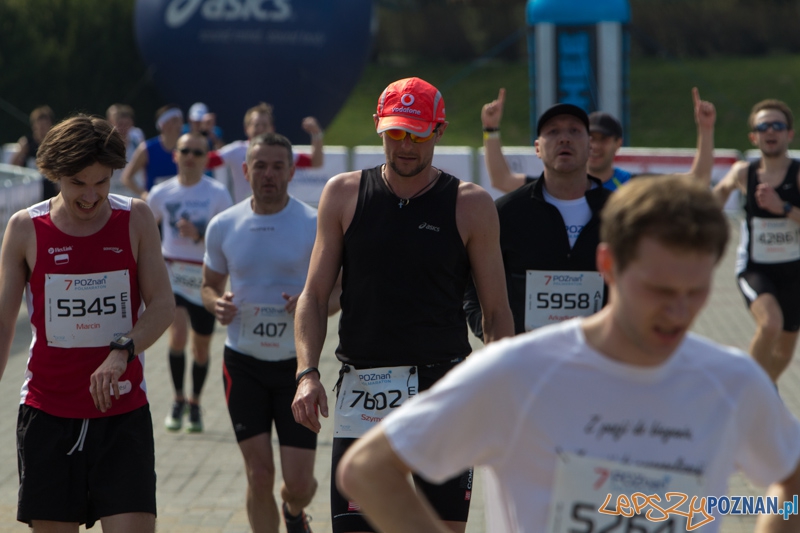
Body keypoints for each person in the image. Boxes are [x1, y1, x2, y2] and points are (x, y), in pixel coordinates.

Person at [337, 175, 800, 533]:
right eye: (658, 290)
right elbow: (368, 469)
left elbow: (791, 485)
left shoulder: (732, 380)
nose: (677, 312)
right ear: (607, 266)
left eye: (694, 291)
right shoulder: (520, 372)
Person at [291, 76, 514, 533]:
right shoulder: (343, 194)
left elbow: (496, 314)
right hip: (364, 386)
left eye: (417, 133)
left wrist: (497, 387)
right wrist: (306, 374)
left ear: (439, 130)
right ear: (378, 127)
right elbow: (313, 296)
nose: (405, 146)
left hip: (444, 388)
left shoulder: (470, 205)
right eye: (395, 133)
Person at [0, 115, 175, 530]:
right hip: (48, 414)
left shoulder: (135, 218)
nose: (91, 195)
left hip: (122, 413)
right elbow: (4, 327)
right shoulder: (26, 228)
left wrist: (122, 350)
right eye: (78, 182)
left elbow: (163, 305)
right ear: (55, 174)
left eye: (102, 181)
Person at [466, 91, 717, 338]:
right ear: (537, 148)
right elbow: (474, 289)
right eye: (553, 132)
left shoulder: (626, 208)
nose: (564, 138)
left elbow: (695, 182)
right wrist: (494, 334)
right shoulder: (508, 212)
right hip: (529, 363)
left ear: (590, 146)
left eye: (575, 131)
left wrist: (706, 130)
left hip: (604, 358)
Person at [203, 132, 340, 533]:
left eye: (278, 166)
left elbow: (339, 292)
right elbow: (209, 285)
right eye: (259, 165)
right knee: (259, 475)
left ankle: (294, 512)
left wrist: (309, 303)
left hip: (297, 369)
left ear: (292, 171)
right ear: (245, 170)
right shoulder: (223, 225)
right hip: (242, 364)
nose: (268, 174)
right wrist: (216, 304)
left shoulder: (313, 223)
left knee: (299, 484)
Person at [147, 132, 233, 432]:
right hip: (172, 273)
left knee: (200, 348)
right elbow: (143, 229)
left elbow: (228, 236)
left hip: (205, 278)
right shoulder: (161, 193)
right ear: (176, 155)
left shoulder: (218, 193)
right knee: (178, 336)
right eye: (185, 151)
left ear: (207, 158)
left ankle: (195, 402)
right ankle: (177, 399)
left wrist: (199, 234)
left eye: (198, 153)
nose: (191, 158)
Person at [712, 99, 800, 382]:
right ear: (754, 136)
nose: (770, 131)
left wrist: (783, 208)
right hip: (755, 268)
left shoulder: (798, 174)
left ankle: (766, 390)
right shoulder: (743, 173)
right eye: (763, 126)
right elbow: (718, 195)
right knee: (770, 324)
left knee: (785, 349)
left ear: (790, 134)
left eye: (777, 125)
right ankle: (746, 391)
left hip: (794, 271)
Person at [482, 87, 715, 193]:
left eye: (604, 138)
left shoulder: (633, 186)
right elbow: (502, 179)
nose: (595, 145)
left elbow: (698, 181)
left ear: (618, 144)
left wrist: (705, 129)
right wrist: (490, 129)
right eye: (589, 137)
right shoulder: (551, 186)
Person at [208, 102, 325, 203]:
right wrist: (204, 134)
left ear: (272, 128)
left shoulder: (282, 150)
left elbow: (316, 162)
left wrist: (316, 134)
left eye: (265, 125)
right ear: (246, 128)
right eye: (256, 125)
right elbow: (206, 161)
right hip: (244, 214)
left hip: (276, 211)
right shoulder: (237, 150)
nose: (260, 129)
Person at [121, 104, 183, 200]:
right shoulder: (147, 149)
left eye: (180, 121)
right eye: (174, 121)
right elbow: (126, 178)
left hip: (180, 203)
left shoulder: (186, 148)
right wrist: (144, 194)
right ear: (163, 124)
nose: (179, 125)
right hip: (156, 207)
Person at [12, 105, 58, 201]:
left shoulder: (54, 144)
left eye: (45, 126)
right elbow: (13, 165)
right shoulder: (27, 143)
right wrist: (21, 152)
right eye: (40, 126)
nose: (42, 130)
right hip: (29, 189)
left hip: (49, 189)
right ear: (34, 126)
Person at [106, 103, 145, 196]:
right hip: (113, 192)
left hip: (134, 192)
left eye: (127, 124)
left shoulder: (137, 137)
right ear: (112, 123)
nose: (124, 128)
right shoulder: (105, 143)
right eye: (120, 124)